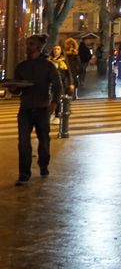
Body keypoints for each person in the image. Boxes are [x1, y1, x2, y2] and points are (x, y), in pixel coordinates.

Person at [12, 34, 64, 185]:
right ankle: (24, 173)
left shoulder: (48, 66)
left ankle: (43, 164)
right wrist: (14, 88)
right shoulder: (21, 66)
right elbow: (18, 90)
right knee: (23, 142)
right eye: (27, 44)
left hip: (42, 108)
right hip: (26, 108)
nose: (27, 47)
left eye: (31, 44)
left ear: (39, 47)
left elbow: (57, 85)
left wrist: (54, 102)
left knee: (44, 140)